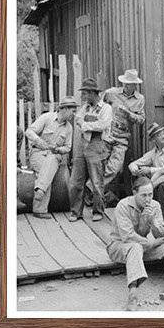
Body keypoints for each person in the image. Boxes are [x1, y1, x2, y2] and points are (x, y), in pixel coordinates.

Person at [107, 174, 164, 311]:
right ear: (134, 193)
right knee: (135, 246)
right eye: (144, 195)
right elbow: (128, 237)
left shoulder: (154, 205)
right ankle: (133, 295)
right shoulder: (123, 206)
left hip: (141, 248)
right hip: (119, 247)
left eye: (150, 194)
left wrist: (153, 222)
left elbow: (161, 235)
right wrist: (151, 243)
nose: (148, 199)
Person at [67, 78, 112, 223]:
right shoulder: (84, 108)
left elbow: (103, 124)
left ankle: (98, 210)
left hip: (97, 144)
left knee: (97, 181)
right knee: (75, 181)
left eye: (86, 93)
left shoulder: (106, 108)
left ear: (93, 93)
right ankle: (76, 212)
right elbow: (77, 120)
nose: (84, 96)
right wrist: (88, 123)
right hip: (82, 145)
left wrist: (86, 125)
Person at [25, 96, 76, 219]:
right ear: (64, 109)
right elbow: (29, 131)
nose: (74, 114)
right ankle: (40, 203)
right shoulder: (46, 117)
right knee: (47, 171)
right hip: (38, 154)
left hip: (54, 156)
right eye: (72, 111)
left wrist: (58, 149)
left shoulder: (69, 128)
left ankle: (40, 193)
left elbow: (68, 147)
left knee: (51, 162)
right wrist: (39, 141)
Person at [101, 68, 146, 188]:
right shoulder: (111, 93)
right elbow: (99, 105)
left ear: (134, 85)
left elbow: (141, 119)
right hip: (107, 134)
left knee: (115, 168)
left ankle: (92, 187)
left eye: (129, 84)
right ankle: (96, 195)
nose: (126, 86)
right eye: (124, 83)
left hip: (122, 138)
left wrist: (129, 114)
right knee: (100, 165)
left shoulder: (139, 99)